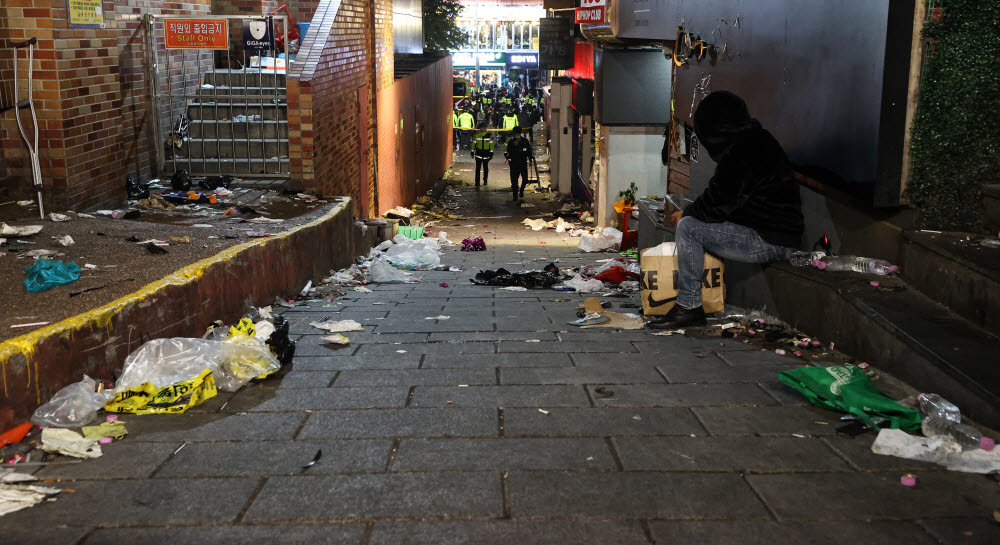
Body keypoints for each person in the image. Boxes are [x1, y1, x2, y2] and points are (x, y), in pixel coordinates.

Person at [648, 91, 804, 329]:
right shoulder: (755, 141)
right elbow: (723, 199)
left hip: (770, 240)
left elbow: (717, 203)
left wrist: (687, 214)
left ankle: (688, 307)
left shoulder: (743, 152)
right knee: (692, 223)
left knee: (689, 228)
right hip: (773, 233)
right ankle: (686, 302)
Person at [505, 126, 533, 202]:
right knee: (514, 180)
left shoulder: (525, 141)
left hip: (523, 162)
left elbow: (529, 151)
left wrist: (530, 160)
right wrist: (515, 145)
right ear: (514, 133)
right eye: (516, 133)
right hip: (514, 163)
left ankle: (521, 190)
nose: (517, 135)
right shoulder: (511, 141)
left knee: (525, 179)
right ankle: (515, 195)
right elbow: (508, 151)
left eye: (518, 133)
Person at [471, 123, 494, 188]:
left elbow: (491, 145)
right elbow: (474, 144)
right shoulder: (477, 135)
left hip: (486, 154)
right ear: (480, 128)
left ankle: (485, 181)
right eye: (482, 127)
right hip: (478, 153)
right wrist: (472, 151)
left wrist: (491, 153)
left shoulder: (489, 135)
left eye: (484, 127)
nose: (483, 129)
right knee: (478, 168)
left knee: (485, 168)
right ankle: (477, 182)